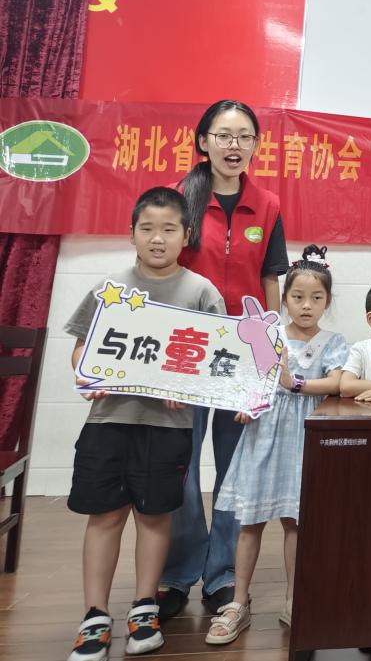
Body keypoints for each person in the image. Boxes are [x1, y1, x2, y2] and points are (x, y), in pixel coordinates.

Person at [66, 187, 226, 661]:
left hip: (168, 427)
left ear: (186, 235)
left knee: (155, 516)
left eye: (169, 229)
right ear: (132, 233)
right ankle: (95, 616)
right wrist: (85, 372)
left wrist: (190, 388)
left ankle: (144, 608)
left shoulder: (201, 292)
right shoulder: (111, 288)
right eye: (147, 229)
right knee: (105, 515)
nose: (158, 239)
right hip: (109, 420)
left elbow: (218, 361)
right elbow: (82, 346)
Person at [159, 99, 288, 621]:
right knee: (182, 467)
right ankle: (176, 573)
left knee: (236, 470)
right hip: (189, 347)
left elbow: (270, 279)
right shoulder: (180, 197)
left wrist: (272, 349)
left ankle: (223, 575)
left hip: (244, 349)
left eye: (244, 136)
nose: (234, 146)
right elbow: (162, 269)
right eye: (224, 135)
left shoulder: (268, 205)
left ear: (255, 145)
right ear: (203, 141)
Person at [206, 246, 348, 644]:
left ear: (327, 302)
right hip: (263, 433)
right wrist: (246, 404)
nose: (306, 305)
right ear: (284, 299)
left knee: (295, 521)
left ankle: (293, 599)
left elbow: (337, 382)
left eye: (316, 297)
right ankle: (238, 601)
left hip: (305, 437)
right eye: (298, 297)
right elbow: (250, 379)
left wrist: (294, 383)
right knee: (249, 521)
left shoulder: (334, 341)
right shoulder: (271, 336)